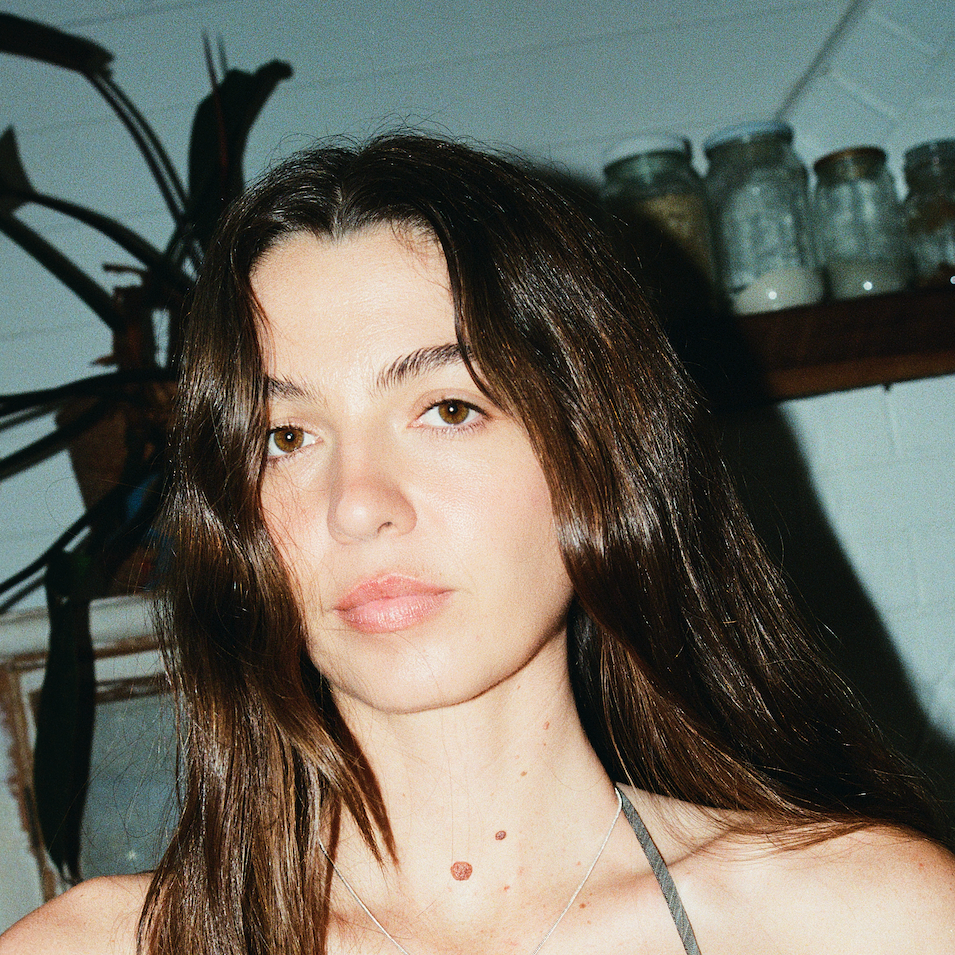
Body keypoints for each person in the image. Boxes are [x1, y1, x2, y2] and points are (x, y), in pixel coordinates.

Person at [3, 132, 955, 954]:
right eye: (285, 436)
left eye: (448, 408)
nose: (357, 505)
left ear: (594, 453)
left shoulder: (869, 919)